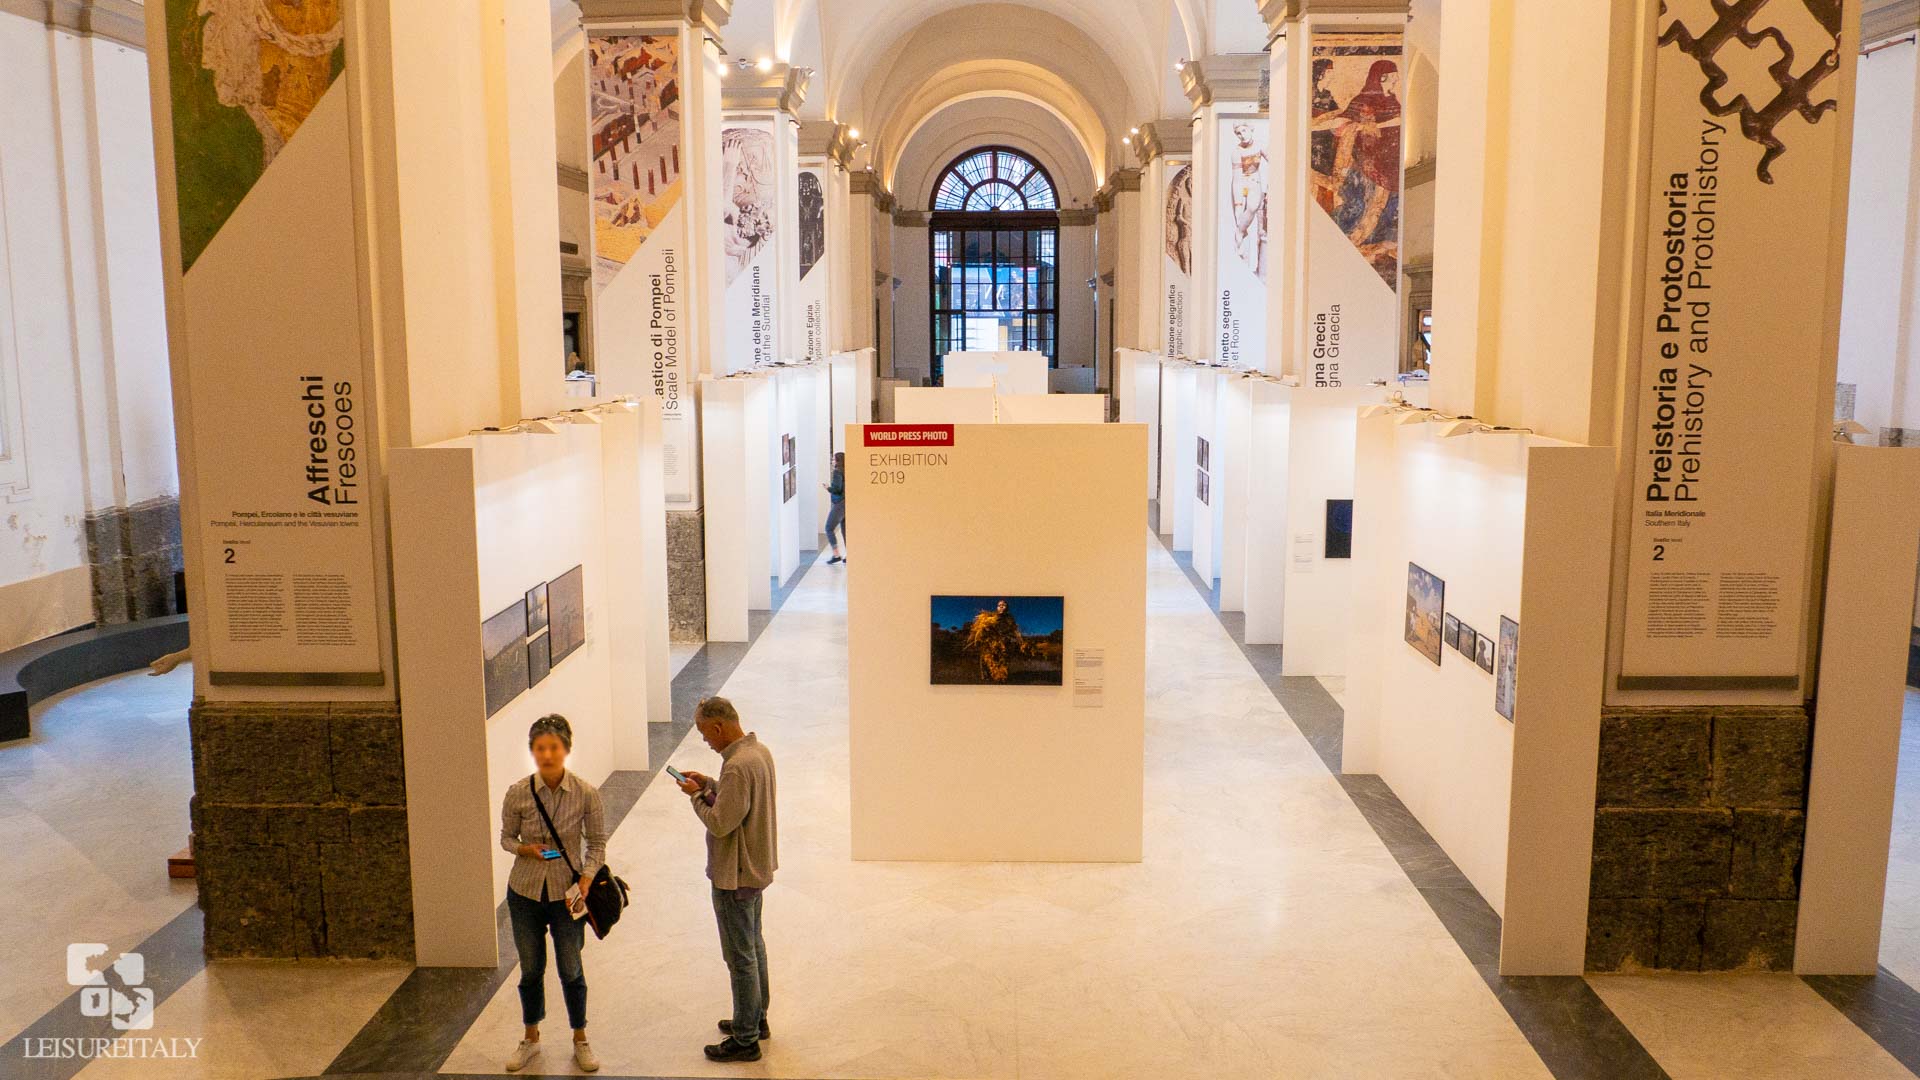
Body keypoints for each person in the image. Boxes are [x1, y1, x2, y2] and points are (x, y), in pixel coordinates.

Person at [498, 715, 608, 1073]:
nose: (547, 755)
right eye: (540, 748)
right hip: (525, 892)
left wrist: (588, 879)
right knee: (531, 969)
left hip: (567, 896)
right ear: (532, 751)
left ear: (567, 750)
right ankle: (531, 1038)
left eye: (554, 748)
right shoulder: (517, 792)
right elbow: (505, 838)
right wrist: (524, 849)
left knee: (571, 968)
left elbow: (597, 844)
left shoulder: (585, 793)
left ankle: (581, 1038)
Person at [675, 697, 779, 1063]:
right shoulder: (758, 752)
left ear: (719, 728)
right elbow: (740, 798)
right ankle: (756, 1018)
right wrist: (710, 783)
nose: (705, 740)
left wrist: (697, 796)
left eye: (705, 733)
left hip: (734, 875)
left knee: (740, 958)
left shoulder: (737, 766)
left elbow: (720, 822)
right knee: (754, 946)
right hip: (755, 869)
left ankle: (746, 1038)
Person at [822, 451, 847, 564]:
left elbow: (837, 489)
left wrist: (828, 488)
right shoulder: (846, 471)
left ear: (837, 461)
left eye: (833, 459)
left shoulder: (837, 472)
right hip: (846, 502)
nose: (832, 461)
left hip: (839, 503)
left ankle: (836, 554)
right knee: (844, 530)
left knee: (828, 528)